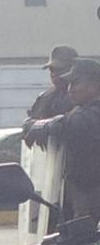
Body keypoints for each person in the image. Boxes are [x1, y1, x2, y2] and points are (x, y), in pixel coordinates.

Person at [24, 57, 100, 227]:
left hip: (93, 202)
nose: (70, 89)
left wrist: (40, 126)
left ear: (95, 85)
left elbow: (75, 123)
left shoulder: (91, 113)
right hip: (81, 199)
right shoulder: (81, 109)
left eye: (76, 83)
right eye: (69, 84)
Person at [27, 45, 77, 120]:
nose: (54, 74)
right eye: (52, 70)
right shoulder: (45, 97)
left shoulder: (82, 97)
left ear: (72, 69)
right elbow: (32, 121)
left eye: (59, 69)